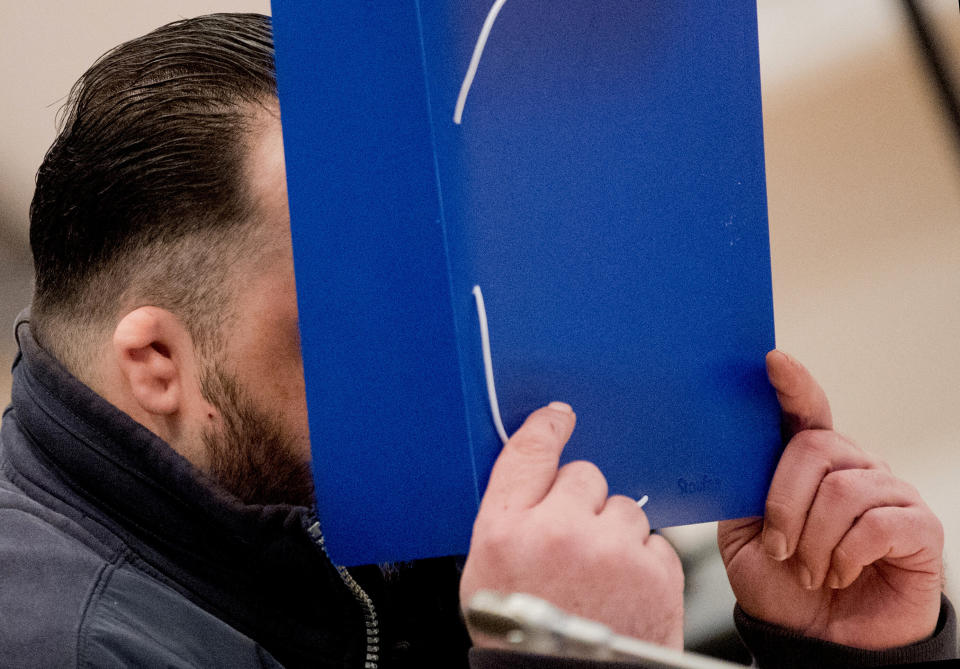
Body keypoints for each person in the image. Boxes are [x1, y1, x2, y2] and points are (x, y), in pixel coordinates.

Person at [0, 12, 954, 669]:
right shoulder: (59, 641)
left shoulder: (345, 516)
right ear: (158, 364)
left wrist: (841, 652)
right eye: (361, 307)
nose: (433, 351)